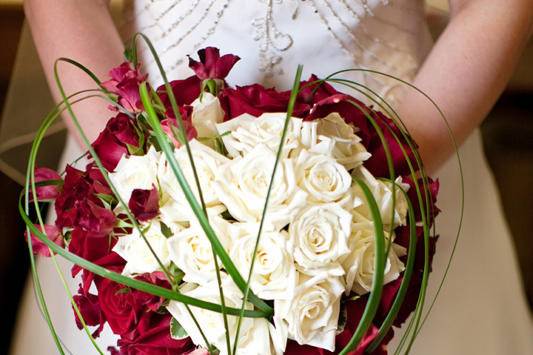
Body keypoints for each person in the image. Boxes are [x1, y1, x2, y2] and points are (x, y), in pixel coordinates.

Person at [9, 0, 533, 354]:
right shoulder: (138, 173)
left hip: (405, 158)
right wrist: (140, 173)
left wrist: (381, 176)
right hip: (143, 172)